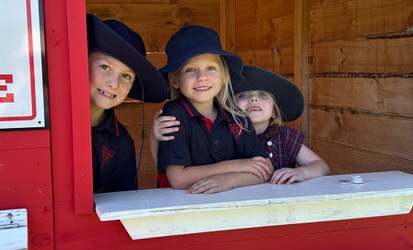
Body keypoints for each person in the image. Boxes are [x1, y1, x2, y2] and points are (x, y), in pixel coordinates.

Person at [154, 65, 329, 184]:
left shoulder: (285, 137)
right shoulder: (226, 133)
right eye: (243, 96)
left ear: (274, 111)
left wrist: (302, 173)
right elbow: (171, 170)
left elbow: (322, 166)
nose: (253, 98)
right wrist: (155, 139)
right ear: (229, 107)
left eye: (262, 95)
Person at [155, 25, 273, 194]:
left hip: (230, 208)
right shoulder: (174, 113)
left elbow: (265, 170)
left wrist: (229, 180)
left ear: (224, 76)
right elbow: (178, 179)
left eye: (211, 68)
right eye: (191, 70)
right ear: (174, 80)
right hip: (181, 208)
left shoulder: (238, 118)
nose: (202, 77)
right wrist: (236, 166)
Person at [88, 14, 167, 193]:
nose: (114, 84)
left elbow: (120, 204)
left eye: (126, 76)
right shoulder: (50, 123)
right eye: (105, 67)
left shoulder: (121, 143)